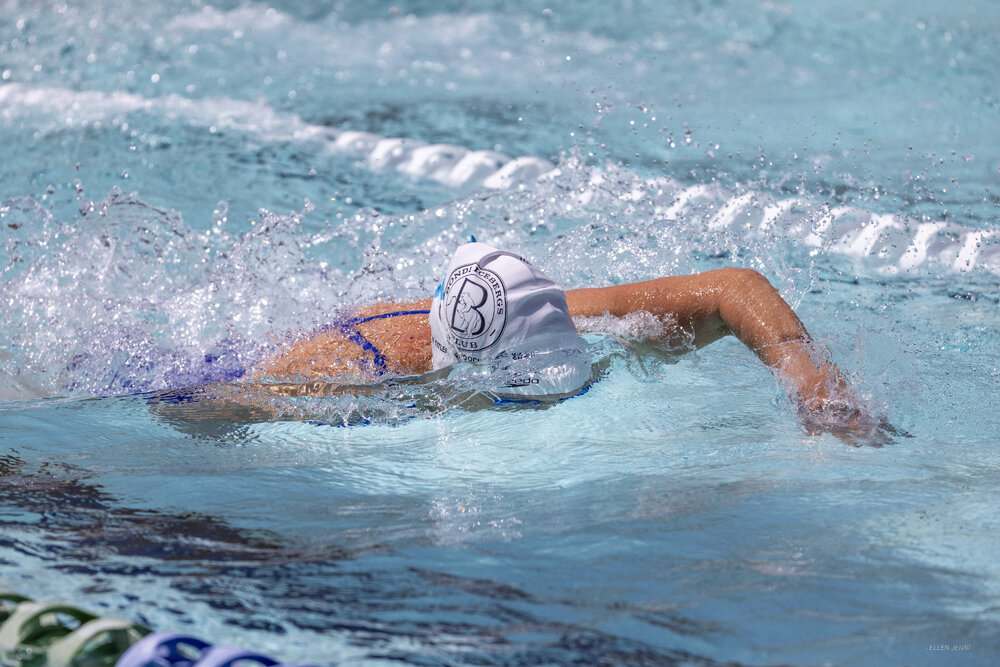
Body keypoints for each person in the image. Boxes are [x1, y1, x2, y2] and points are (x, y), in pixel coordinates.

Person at [249, 240, 889, 444]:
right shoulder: (344, 371)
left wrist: (818, 391)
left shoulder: (557, 315)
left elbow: (733, 289)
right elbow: (203, 407)